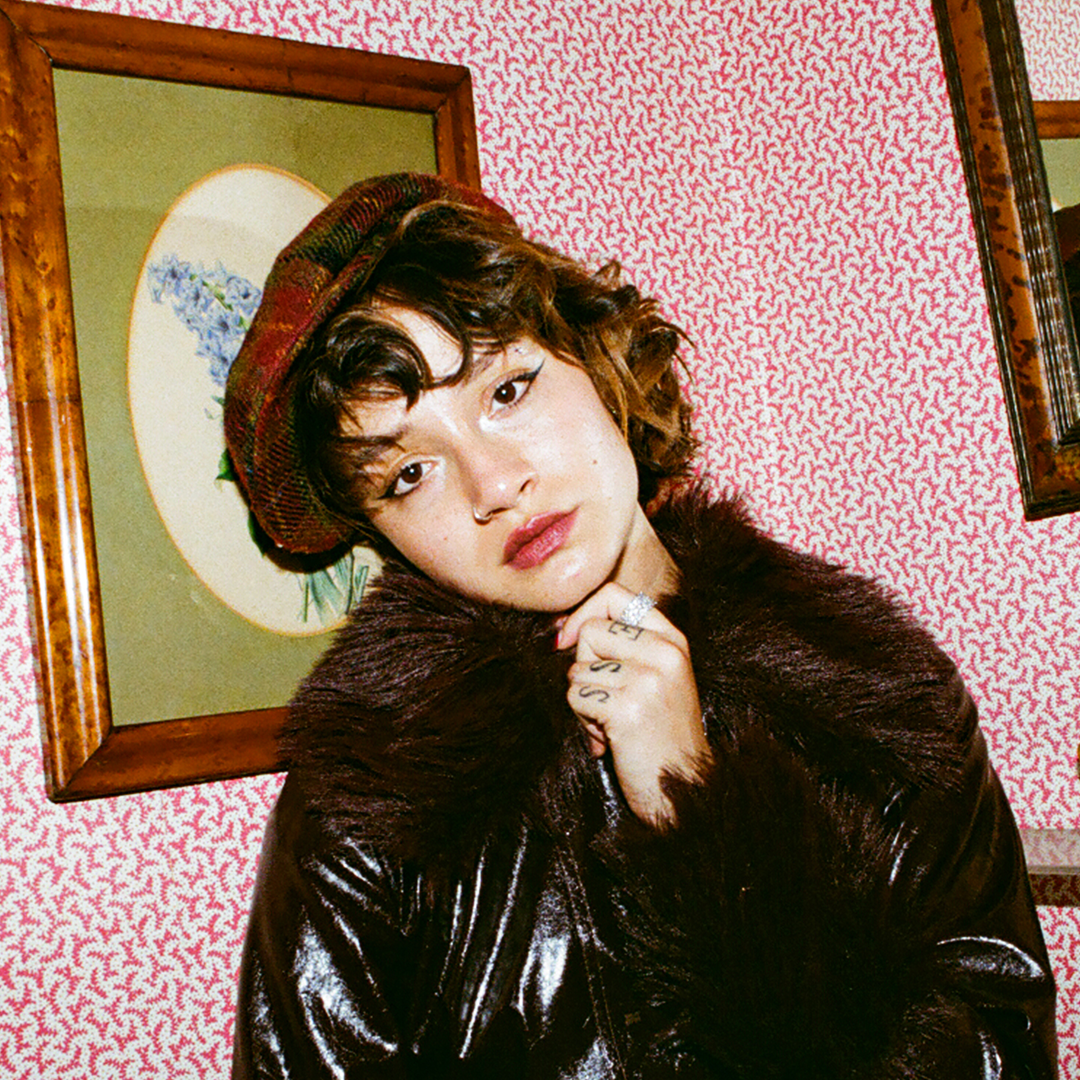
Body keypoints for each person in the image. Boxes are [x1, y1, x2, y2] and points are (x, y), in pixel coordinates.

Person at [225, 172, 1056, 1078]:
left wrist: (701, 817)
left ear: (597, 360)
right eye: (409, 474)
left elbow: (1000, 1053)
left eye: (507, 391)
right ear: (381, 532)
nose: (494, 487)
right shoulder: (372, 794)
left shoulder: (872, 688)